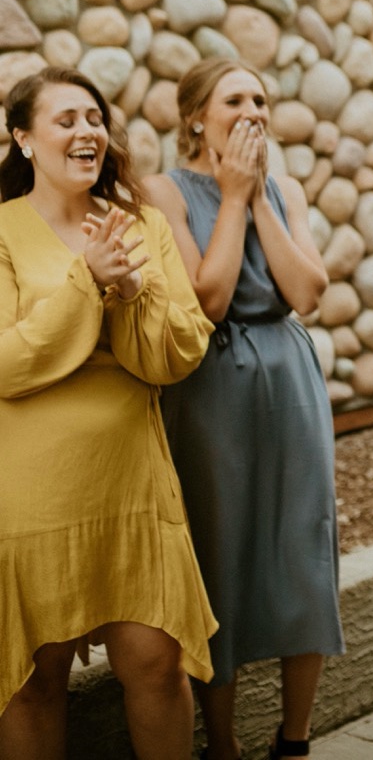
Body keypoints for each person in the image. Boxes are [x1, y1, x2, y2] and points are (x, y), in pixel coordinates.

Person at [0, 67, 216, 759]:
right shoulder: (1, 230)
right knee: (35, 683)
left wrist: (129, 294)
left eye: (94, 118)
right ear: (22, 138)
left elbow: (179, 352)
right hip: (32, 494)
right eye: (66, 119)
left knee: (157, 665)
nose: (87, 130)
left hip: (131, 483)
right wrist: (83, 282)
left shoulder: (143, 224)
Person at [146, 59, 343, 760]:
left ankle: (294, 738)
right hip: (211, 388)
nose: (254, 109)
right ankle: (221, 744)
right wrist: (229, 198)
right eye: (235, 98)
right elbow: (209, 298)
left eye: (261, 97)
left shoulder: (284, 187)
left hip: (289, 380)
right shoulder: (162, 192)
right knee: (218, 550)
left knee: (302, 546)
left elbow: (307, 290)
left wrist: (258, 198)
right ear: (197, 116)